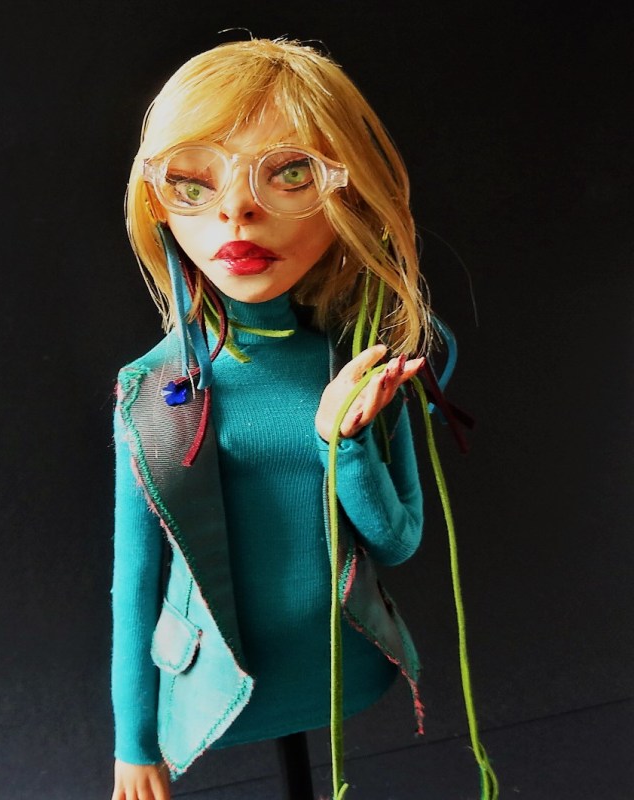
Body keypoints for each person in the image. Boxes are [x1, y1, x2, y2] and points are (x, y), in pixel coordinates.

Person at [109, 37, 496, 800]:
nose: (237, 210)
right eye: (193, 182)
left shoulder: (355, 367)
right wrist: (133, 741)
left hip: (340, 664)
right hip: (220, 683)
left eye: (292, 174)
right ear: (156, 202)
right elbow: (135, 580)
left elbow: (398, 540)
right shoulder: (150, 390)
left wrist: (343, 444)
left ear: (350, 198)